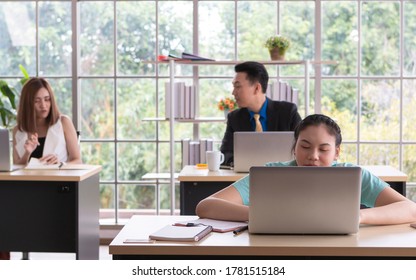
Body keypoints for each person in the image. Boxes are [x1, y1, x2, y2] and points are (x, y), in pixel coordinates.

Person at [197, 114, 416, 225]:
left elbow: (410, 209)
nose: (313, 156)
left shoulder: (355, 175)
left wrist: (357, 216)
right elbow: (206, 206)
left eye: (324, 149)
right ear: (294, 147)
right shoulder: (271, 173)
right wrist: (262, 215)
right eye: (305, 146)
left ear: (337, 152)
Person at [220, 61, 302, 166]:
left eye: (238, 86)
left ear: (257, 88)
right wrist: (244, 163)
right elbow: (225, 154)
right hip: (246, 175)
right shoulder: (234, 117)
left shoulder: (288, 112)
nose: (233, 92)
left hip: (282, 174)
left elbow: (302, 147)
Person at [12, 77, 81, 166]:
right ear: (27, 104)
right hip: (29, 179)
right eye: (37, 101)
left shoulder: (64, 122)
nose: (43, 105)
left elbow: (77, 160)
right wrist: (27, 153)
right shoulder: (18, 130)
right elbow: (16, 166)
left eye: (47, 99)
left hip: (58, 178)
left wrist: (60, 164)